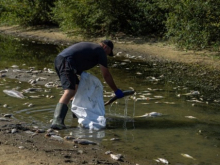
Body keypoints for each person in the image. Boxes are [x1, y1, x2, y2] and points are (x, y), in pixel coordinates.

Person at [51, 40, 124, 130]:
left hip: (62, 60)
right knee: (69, 91)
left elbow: (78, 58)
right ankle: (57, 121)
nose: (106, 56)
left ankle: (76, 115)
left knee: (76, 89)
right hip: (66, 62)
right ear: (105, 47)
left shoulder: (93, 48)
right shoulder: (100, 51)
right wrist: (116, 90)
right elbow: (106, 74)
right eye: (108, 53)